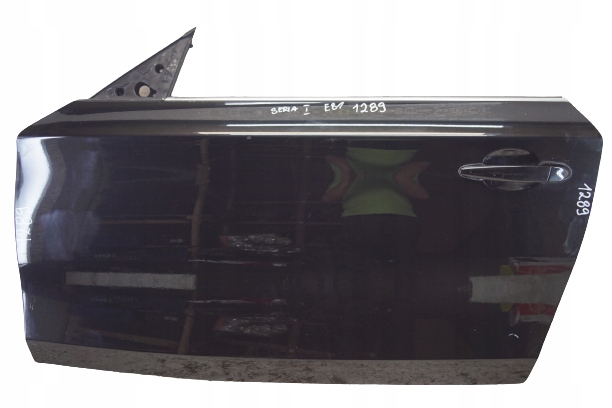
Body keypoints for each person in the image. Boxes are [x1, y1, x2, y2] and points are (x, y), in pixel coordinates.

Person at [323, 147, 429, 358]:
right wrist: (347, 176)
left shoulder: (407, 145)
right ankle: (379, 353)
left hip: (377, 218)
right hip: (373, 218)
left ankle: (381, 354)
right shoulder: (348, 149)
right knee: (370, 288)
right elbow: (328, 194)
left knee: (379, 288)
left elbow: (422, 187)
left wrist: (350, 174)